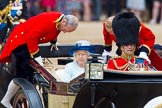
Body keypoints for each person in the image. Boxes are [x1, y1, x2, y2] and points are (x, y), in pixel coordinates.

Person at [0, 11, 79, 108]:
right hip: (21, 42)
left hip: (28, 41)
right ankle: (6, 100)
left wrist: (53, 42)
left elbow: (54, 30)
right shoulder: (49, 21)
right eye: (67, 29)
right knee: (23, 74)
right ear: (64, 22)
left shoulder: (59, 20)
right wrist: (37, 59)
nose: (65, 32)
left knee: (32, 75)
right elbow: (31, 37)